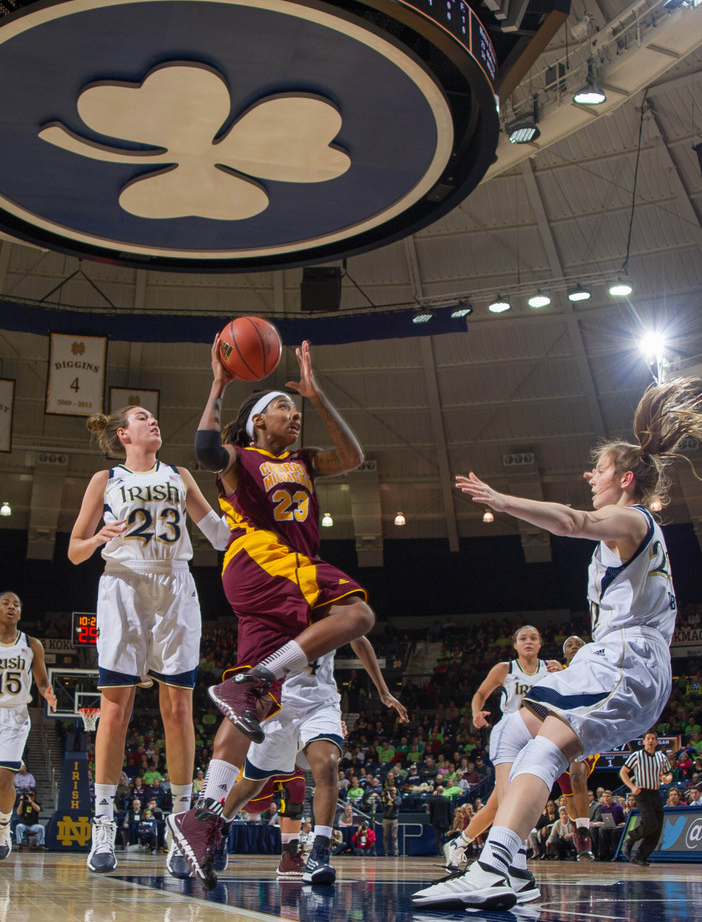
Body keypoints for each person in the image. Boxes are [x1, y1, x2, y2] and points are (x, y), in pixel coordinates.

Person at [412, 378, 702, 911]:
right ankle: (511, 864)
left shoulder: (629, 519)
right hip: (620, 659)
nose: (589, 475)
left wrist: (502, 500)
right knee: (515, 726)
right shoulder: (622, 532)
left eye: (598, 469)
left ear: (626, 479)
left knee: (545, 746)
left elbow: (572, 520)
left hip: (629, 659)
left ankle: (493, 865)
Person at [168, 339, 375, 887]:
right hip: (264, 560)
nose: (294, 413)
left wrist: (320, 394)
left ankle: (203, 817)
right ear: (259, 422)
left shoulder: (304, 461)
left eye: (295, 407)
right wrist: (217, 385)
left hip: (272, 583)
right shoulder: (245, 461)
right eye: (284, 406)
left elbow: (353, 457)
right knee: (356, 615)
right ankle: (256, 681)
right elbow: (208, 450)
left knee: (247, 710)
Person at [68, 406, 229, 878]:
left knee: (177, 709)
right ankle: (103, 822)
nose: (154, 422)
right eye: (143, 418)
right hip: (122, 584)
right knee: (114, 710)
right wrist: (99, 536)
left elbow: (218, 535)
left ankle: (180, 824)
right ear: (123, 433)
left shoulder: (180, 474)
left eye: (156, 418)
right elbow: (75, 552)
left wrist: (248, 517)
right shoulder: (105, 478)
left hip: (176, 586)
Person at [205, 635, 405, 888]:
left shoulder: (329, 607)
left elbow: (359, 638)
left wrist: (383, 690)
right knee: (251, 785)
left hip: (321, 704)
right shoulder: (276, 611)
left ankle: (320, 853)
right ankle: (221, 830)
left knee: (327, 765)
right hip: (277, 705)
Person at [442, 624, 559, 895]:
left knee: (497, 806)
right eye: (523, 638)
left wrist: (566, 673)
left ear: (540, 644)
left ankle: (459, 843)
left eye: (533, 637)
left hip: (538, 738)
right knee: (512, 800)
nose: (528, 641)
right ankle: (516, 863)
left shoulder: (551, 669)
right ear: (515, 645)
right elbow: (480, 694)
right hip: (509, 735)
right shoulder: (504, 669)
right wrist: (476, 712)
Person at [0, 592, 56, 861]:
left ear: (20, 613)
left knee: (4, 779)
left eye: (16, 605)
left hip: (15, 716)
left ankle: (2, 827)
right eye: (6, 603)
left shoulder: (31, 644)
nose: (12, 607)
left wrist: (47, 692)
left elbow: (42, 680)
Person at [554, 636, 599, 861]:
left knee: (578, 775)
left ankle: (584, 835)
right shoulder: (555, 672)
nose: (575, 647)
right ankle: (576, 823)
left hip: (587, 734)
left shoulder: (596, 670)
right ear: (565, 654)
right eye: (570, 645)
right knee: (569, 797)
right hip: (561, 736)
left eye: (579, 644)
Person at [619, 731, 672, 866]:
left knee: (657, 828)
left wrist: (667, 779)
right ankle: (630, 838)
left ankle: (640, 857)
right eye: (648, 738)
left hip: (655, 793)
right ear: (643, 741)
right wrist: (631, 787)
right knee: (650, 822)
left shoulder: (661, 757)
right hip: (641, 793)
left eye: (653, 739)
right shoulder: (636, 756)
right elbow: (623, 772)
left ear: (656, 742)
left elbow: (668, 774)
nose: (650, 741)